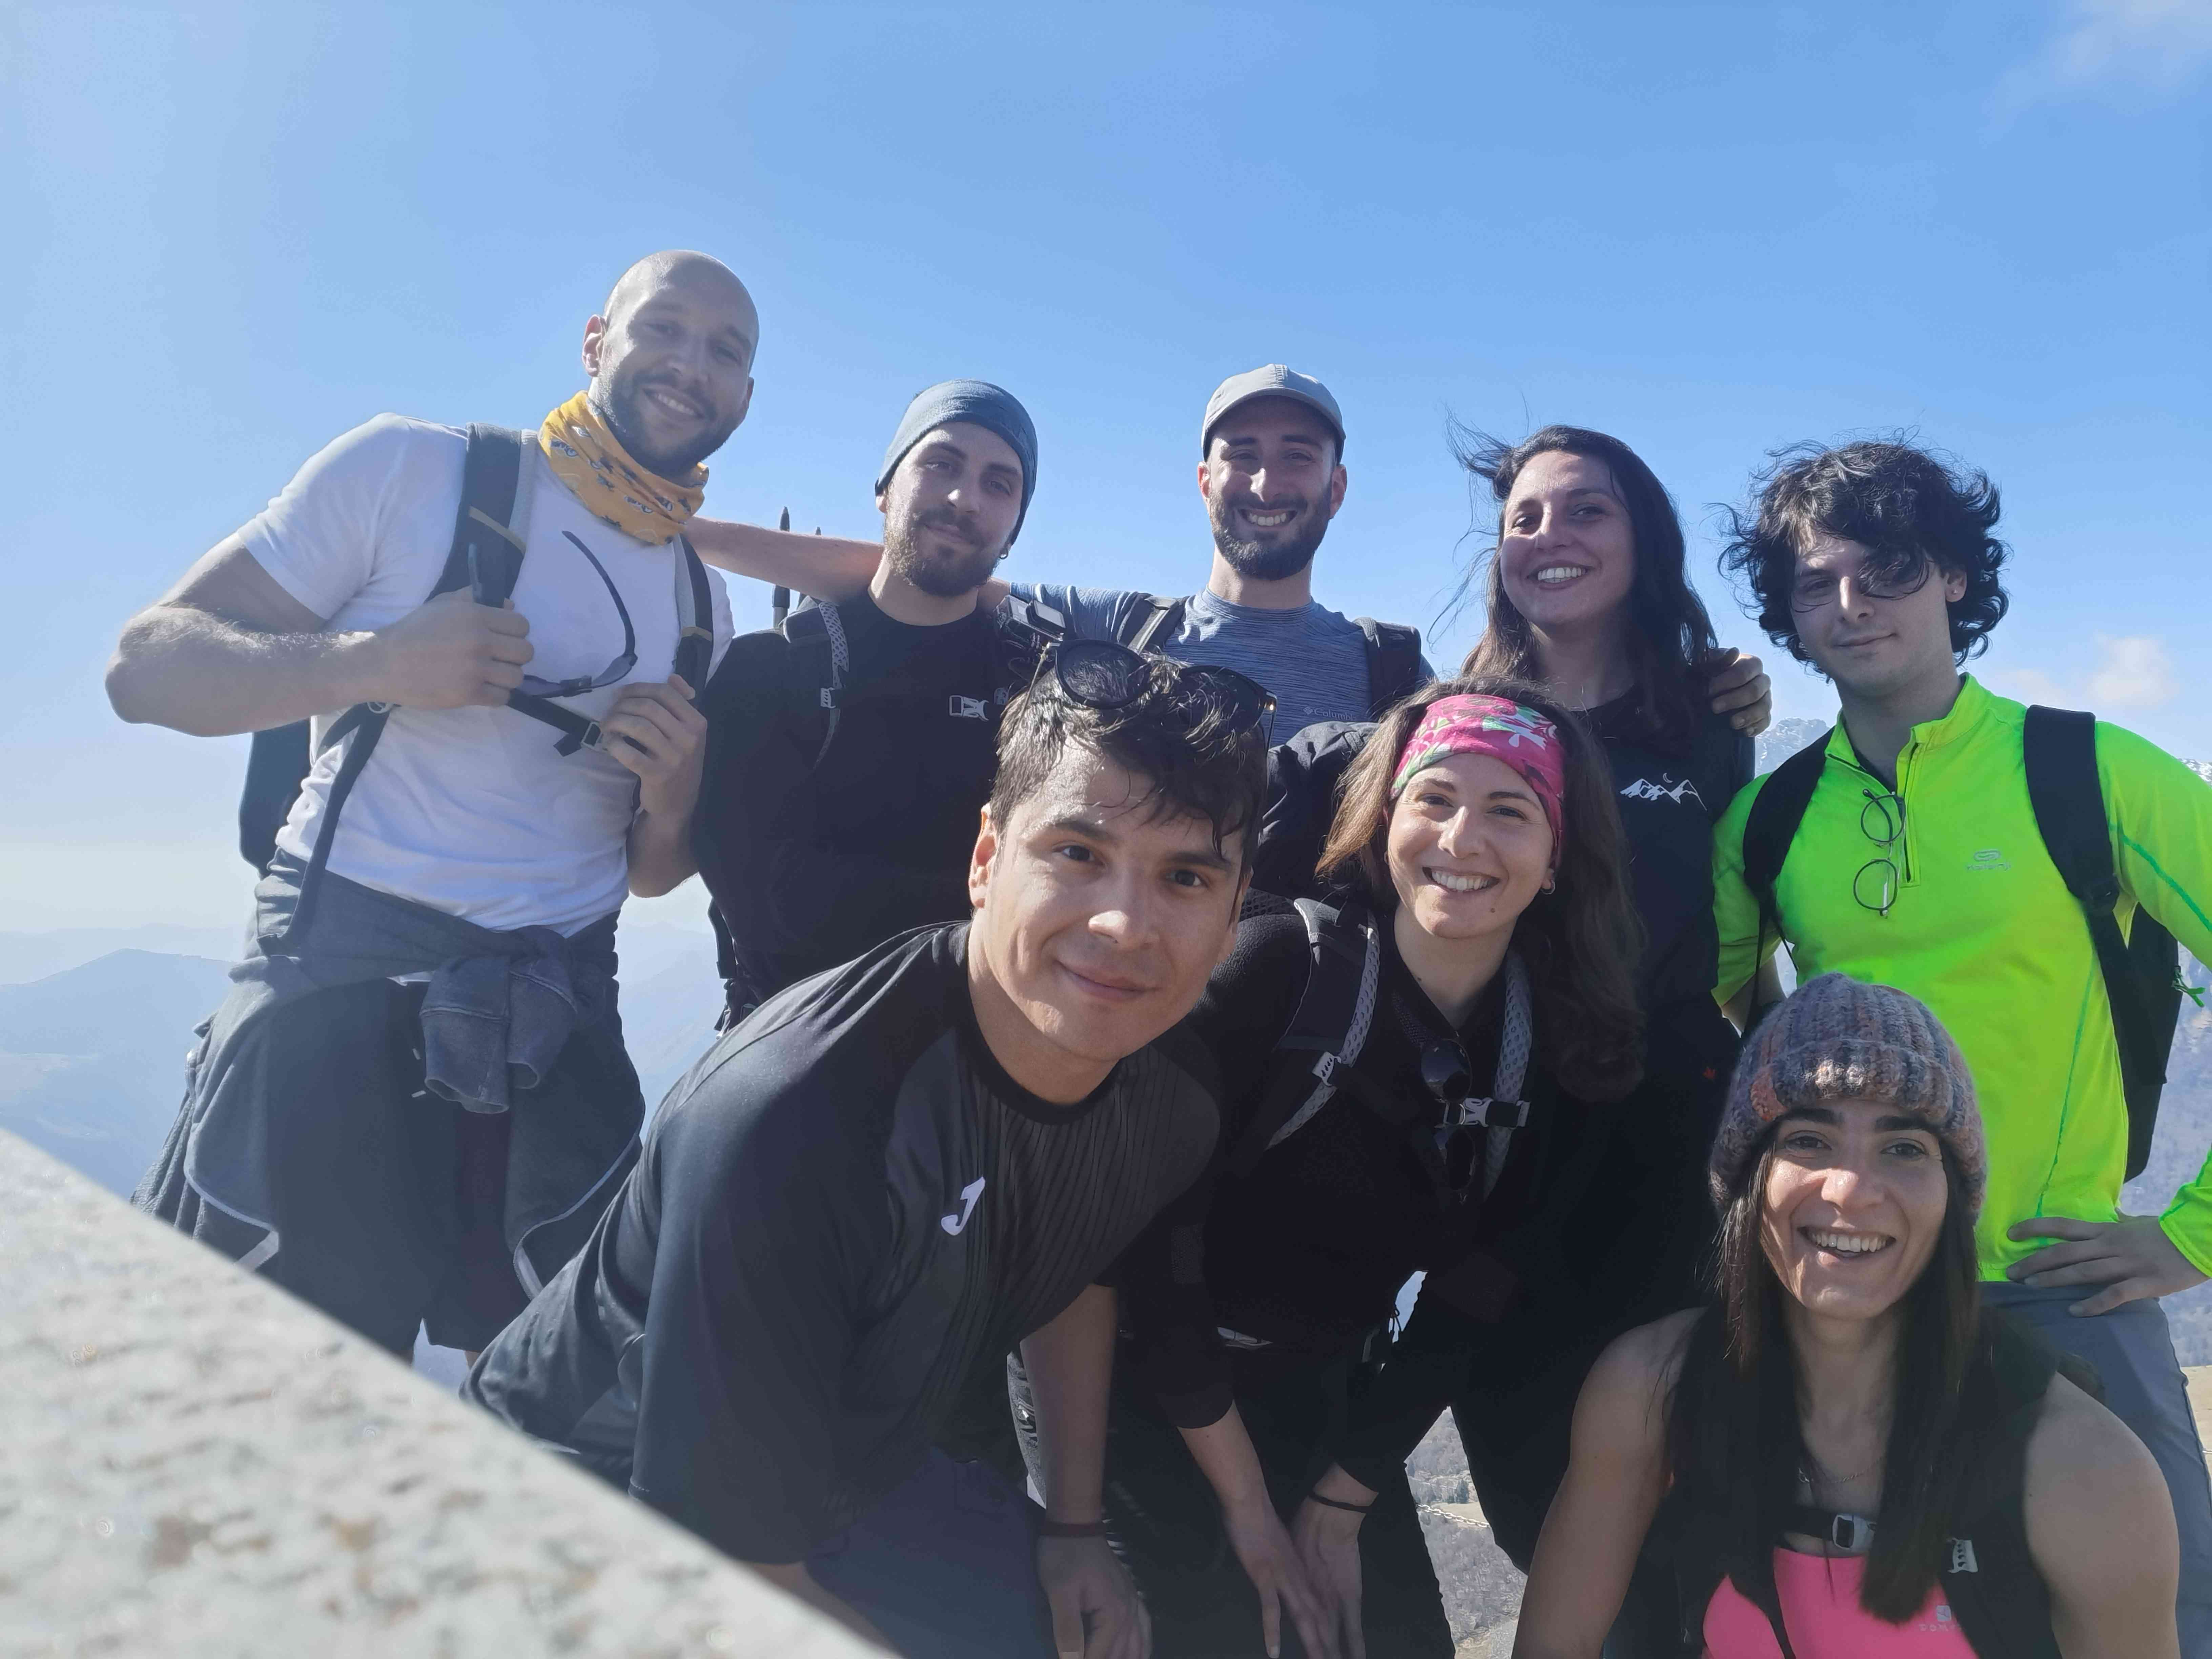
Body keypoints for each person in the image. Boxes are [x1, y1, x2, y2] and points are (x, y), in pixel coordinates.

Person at [467, 643, 1273, 1658]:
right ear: (986, 860)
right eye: (1077, 853)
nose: (1124, 923)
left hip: (847, 1472)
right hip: (577, 1514)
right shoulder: (797, 1115)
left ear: (1234, 913)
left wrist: (1075, 1529)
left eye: (1186, 876)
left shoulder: (1168, 1093)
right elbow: (733, 1576)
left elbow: (1079, 1255)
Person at [106, 250, 749, 1358]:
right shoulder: (414, 471)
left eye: (726, 351)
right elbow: (145, 668)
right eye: (665, 327)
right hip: (336, 1006)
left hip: (555, 1027)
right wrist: (376, 663)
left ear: (744, 392)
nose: (692, 365)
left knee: (533, 1401)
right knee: (274, 1384)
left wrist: (675, 792)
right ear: (596, 341)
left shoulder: (704, 603)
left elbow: (648, 872)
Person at [1709, 438, 2212, 1651]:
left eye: (1886, 569)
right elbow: (1727, 1019)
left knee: (2168, 1620)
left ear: (1953, 577)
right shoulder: (1768, 818)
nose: (1850, 603)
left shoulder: (2088, 771)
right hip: (1845, 1301)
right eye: (1815, 582)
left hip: (2060, 1289)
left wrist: (2192, 1234)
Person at [1257, 426, 1766, 1577]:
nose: (1548, 536)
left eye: (1585, 510)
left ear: (1644, 540)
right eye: (1523, 517)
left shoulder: (1706, 727)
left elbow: (1731, 934)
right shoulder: (1458, 721)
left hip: (1661, 1172)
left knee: (1683, 1513)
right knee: (1534, 1502)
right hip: (1489, 1150)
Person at [1093, 679, 1646, 1658]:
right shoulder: (1275, 970)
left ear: (1558, 856)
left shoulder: (1552, 1048)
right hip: (1141, 1400)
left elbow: (1479, 1287)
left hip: (1324, 1406)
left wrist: (1339, 1506)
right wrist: (1252, 1513)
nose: (1462, 840)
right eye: (1434, 799)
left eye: (1510, 811)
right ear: (1384, 821)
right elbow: (1145, 1254)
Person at [1516, 972, 2180, 1658]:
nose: (1853, 1190)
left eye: (1903, 1148)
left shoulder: (2083, 1471)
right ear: (1748, 1179)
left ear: (1951, 1199)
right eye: (1808, 1140)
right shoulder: (1653, 1392)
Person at [694, 378, 1060, 1014]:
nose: (964, 498)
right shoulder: (772, 672)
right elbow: (767, 911)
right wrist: (998, 905)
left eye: (999, 484)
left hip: (995, 1044)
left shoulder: (1042, 691)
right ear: (885, 488)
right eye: (941, 464)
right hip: (803, 1039)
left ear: (1013, 532)